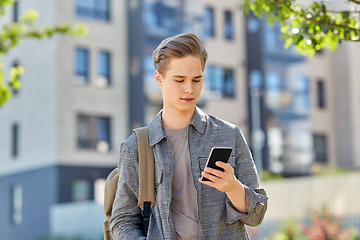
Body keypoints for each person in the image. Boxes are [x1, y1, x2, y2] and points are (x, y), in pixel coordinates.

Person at [110, 33, 268, 239]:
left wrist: (232, 187)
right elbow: (122, 220)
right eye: (179, 80)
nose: (189, 89)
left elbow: (257, 216)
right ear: (159, 78)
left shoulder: (229, 135)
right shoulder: (137, 147)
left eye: (197, 79)